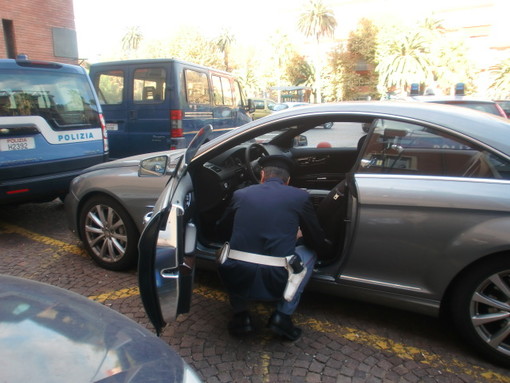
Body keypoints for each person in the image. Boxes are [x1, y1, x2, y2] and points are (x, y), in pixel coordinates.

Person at [216, 154, 330, 341]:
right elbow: (315, 238)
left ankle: (241, 316)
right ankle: (282, 317)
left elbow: (222, 230)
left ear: (262, 175)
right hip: (277, 278)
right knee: (310, 252)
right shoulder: (300, 196)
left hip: (236, 274)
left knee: (226, 252)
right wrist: (297, 236)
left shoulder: (240, 194)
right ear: (288, 181)